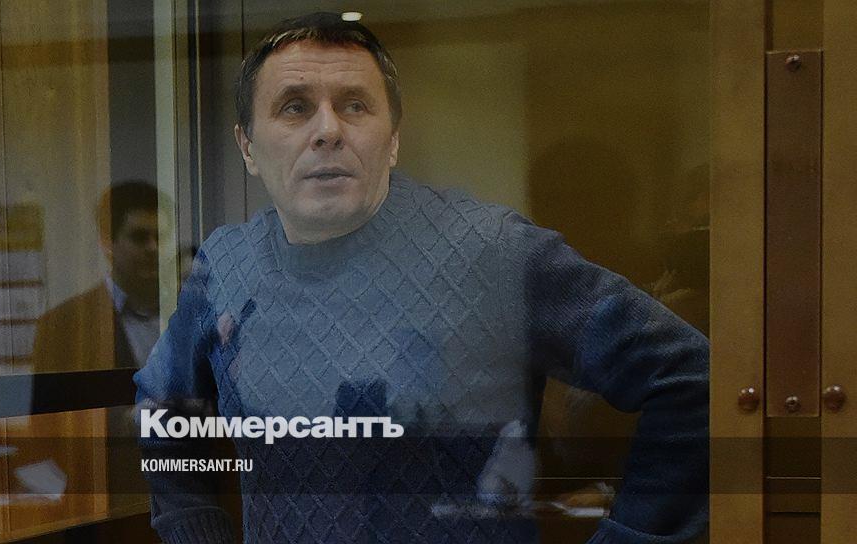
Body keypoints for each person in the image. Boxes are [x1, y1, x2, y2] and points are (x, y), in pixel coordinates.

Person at [134, 12, 708, 544]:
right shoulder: (227, 261)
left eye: (355, 105)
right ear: (248, 147)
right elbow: (162, 407)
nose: (328, 130)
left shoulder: (490, 250)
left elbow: (688, 377)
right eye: (294, 107)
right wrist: (195, 529)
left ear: (393, 140)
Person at [33, 180, 162, 373]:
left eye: (160, 237)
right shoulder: (64, 325)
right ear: (108, 242)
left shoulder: (186, 313)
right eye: (139, 237)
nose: (153, 248)